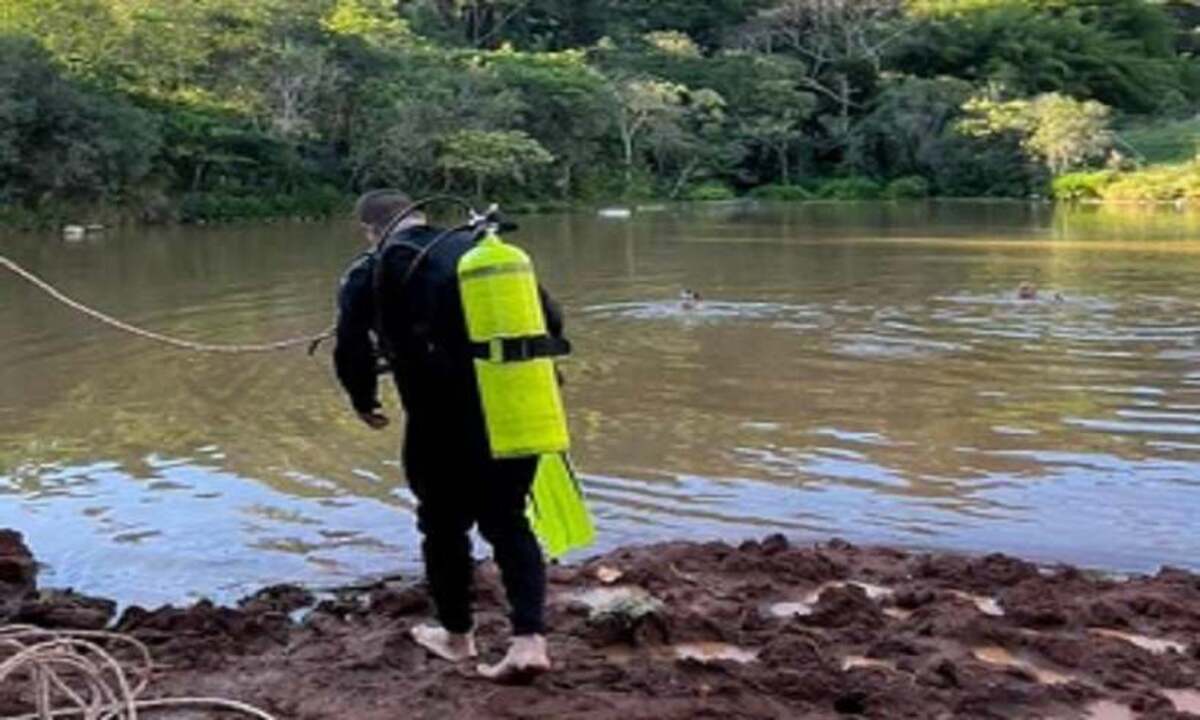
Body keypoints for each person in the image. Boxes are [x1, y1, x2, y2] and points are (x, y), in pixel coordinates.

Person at [334, 189, 565, 682]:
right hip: (516, 406)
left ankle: (458, 638)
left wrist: (363, 399)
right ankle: (529, 641)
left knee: (441, 527)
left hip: (439, 420)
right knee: (508, 520)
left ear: (369, 229)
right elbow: (551, 320)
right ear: (422, 216)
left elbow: (350, 345)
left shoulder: (370, 269)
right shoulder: (484, 253)